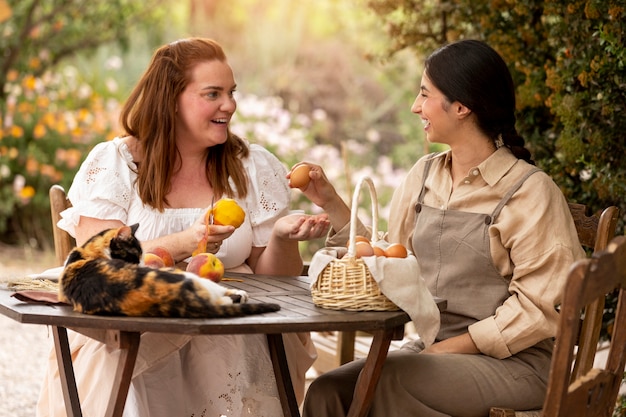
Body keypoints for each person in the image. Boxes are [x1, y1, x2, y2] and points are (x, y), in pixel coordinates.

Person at [37, 37, 330, 417]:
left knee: (239, 340)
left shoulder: (251, 166)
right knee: (126, 359)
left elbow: (274, 279)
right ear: (169, 99)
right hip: (132, 322)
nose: (230, 105)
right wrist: (187, 241)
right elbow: (102, 268)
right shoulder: (116, 164)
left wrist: (280, 238)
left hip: (229, 325)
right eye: (213, 93)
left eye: (231, 92)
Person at [296, 39, 585, 417]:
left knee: (392, 382)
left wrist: (449, 348)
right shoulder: (424, 176)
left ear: (462, 107)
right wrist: (331, 202)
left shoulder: (528, 192)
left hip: (518, 365)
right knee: (326, 390)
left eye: (425, 94)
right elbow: (388, 261)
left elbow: (540, 309)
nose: (416, 106)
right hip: (436, 350)